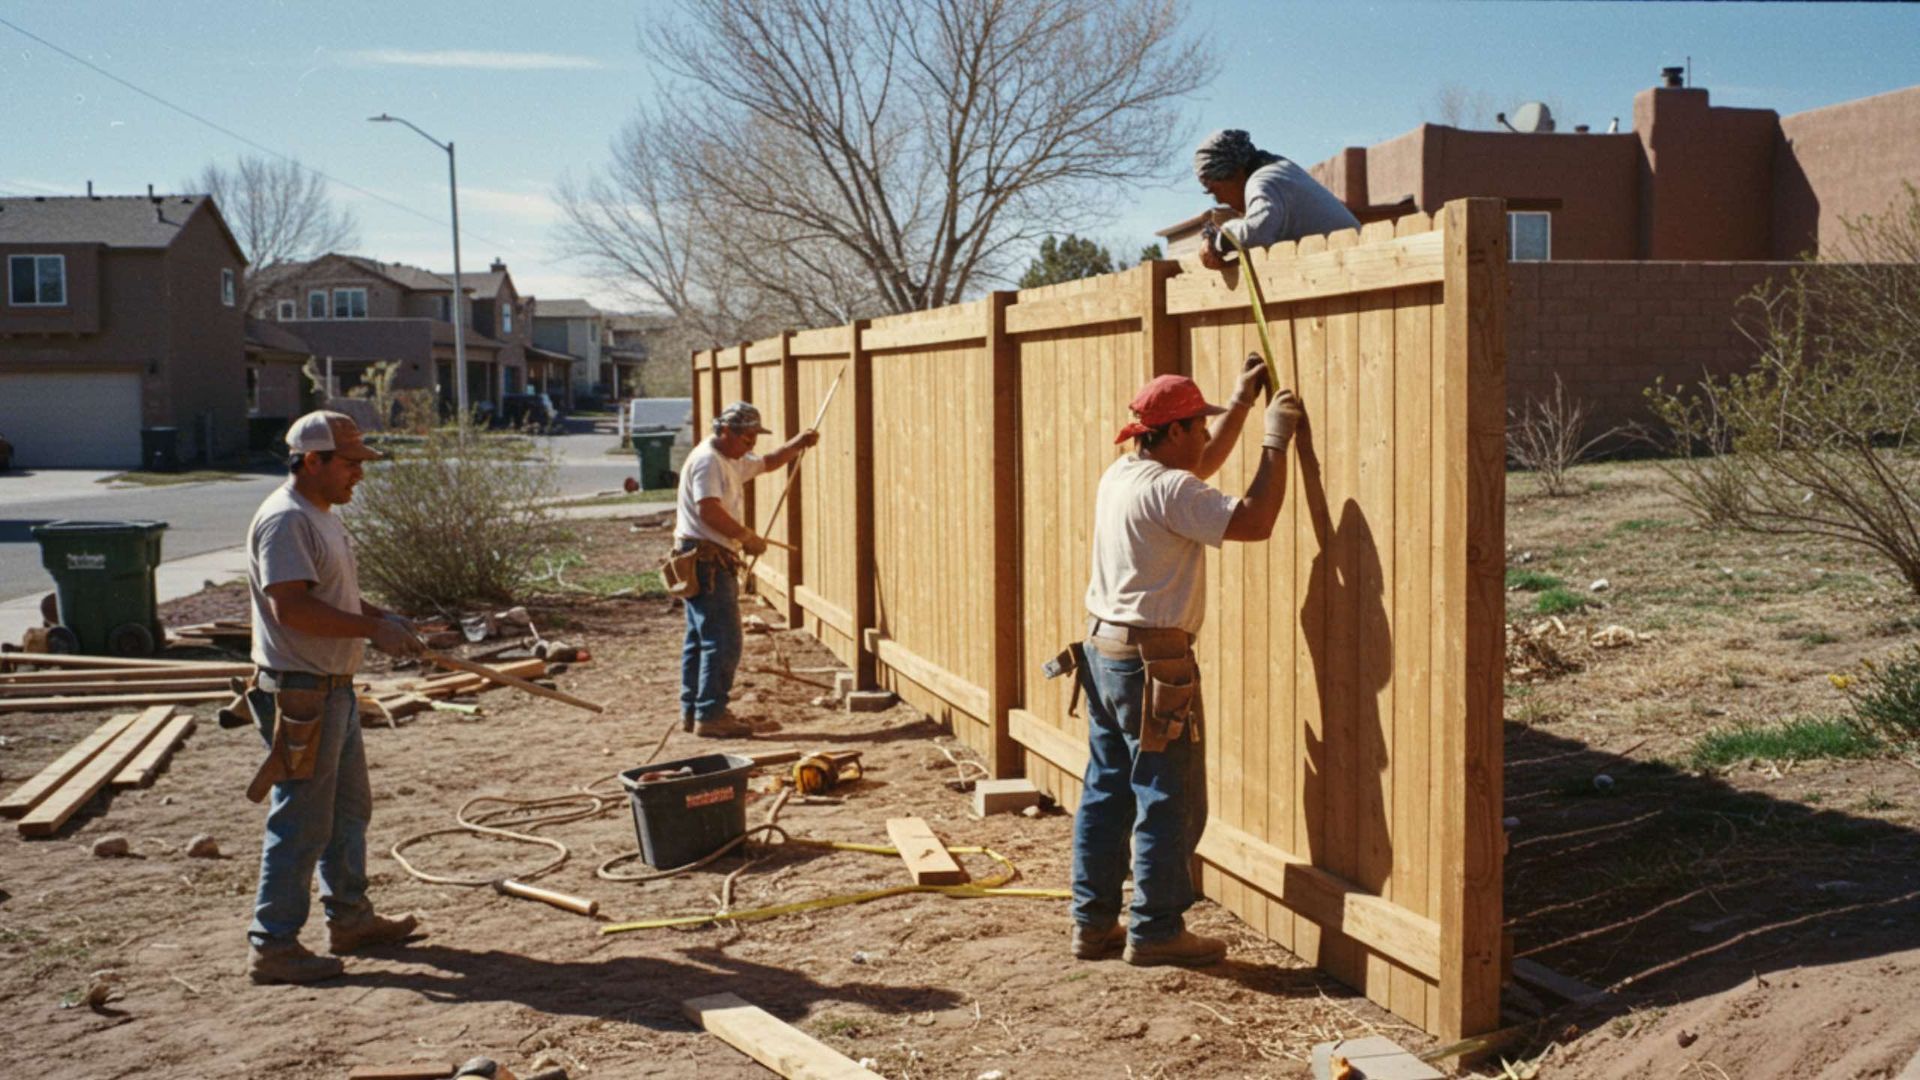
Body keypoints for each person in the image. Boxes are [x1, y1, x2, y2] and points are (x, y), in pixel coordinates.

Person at [1069, 357, 1304, 967]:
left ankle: (1093, 924)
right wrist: (1275, 443)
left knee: (1106, 792)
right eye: (1197, 425)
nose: (1205, 433)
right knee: (1168, 798)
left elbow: (1196, 471)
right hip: (1154, 665)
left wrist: (1240, 403)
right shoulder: (1170, 489)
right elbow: (1254, 522)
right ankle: (1155, 930)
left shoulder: (1123, 474)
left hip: (1103, 653)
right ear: (1170, 433)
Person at [244, 410, 427, 985]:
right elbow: (291, 608)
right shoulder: (285, 521)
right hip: (303, 694)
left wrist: (381, 617)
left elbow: (335, 596)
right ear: (312, 461)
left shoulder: (320, 516)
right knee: (301, 822)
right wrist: (372, 632)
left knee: (349, 813)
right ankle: (273, 945)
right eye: (349, 464)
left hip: (333, 691)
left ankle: (349, 918)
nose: (359, 475)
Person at [674, 401, 820, 738]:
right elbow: (709, 510)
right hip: (706, 558)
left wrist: (796, 445)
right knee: (723, 640)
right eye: (746, 437)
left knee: (699, 639)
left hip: (700, 555)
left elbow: (767, 463)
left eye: (755, 437)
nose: (751, 444)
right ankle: (710, 714)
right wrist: (745, 537)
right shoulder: (709, 462)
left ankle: (694, 710)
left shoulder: (730, 457)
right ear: (726, 431)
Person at [1192, 128, 1360, 271]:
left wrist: (1217, 240)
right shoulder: (1279, 171)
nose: (1218, 200)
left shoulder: (1263, 182)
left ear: (1234, 173)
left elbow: (1256, 232)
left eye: (1215, 190)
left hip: (1352, 268)